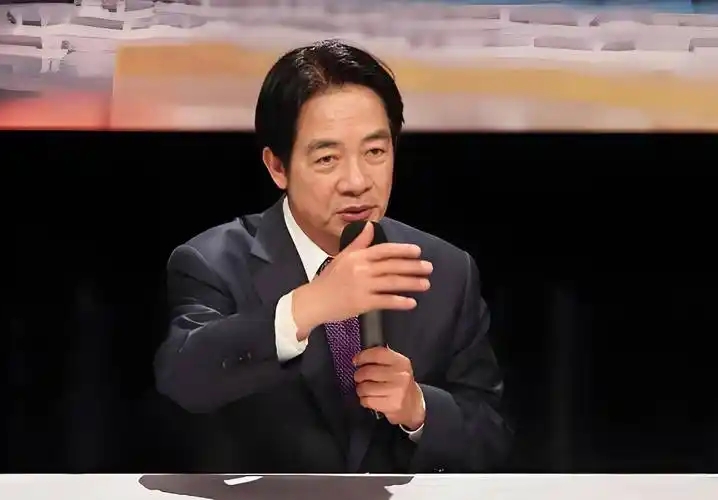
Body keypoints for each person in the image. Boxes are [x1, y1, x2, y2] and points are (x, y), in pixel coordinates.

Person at [154, 39, 512, 473]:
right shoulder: (213, 262)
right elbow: (185, 378)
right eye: (327, 159)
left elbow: (492, 440)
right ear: (277, 167)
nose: (357, 181)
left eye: (375, 152)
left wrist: (418, 409)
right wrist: (309, 306)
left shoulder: (445, 271)